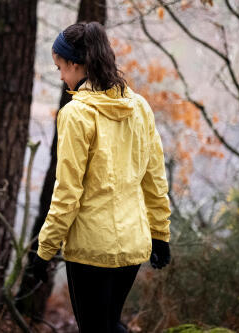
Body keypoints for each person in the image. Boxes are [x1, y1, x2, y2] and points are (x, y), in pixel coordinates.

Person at [32, 22, 172, 333]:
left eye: (59, 67)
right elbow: (154, 180)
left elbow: (67, 193)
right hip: (132, 243)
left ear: (75, 63)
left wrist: (44, 251)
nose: (60, 76)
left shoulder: (76, 114)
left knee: (96, 328)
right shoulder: (139, 107)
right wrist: (160, 234)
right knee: (108, 325)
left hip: (92, 249)